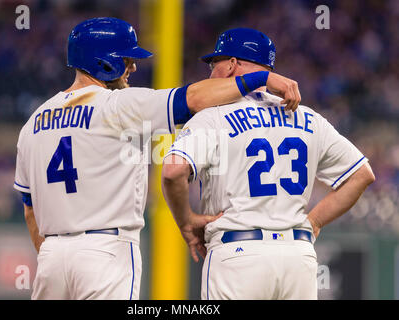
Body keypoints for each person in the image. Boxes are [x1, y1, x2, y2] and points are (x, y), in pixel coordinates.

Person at [13, 18, 301, 300]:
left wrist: (59, 259)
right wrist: (261, 78)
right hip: (105, 251)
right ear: (105, 62)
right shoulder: (118, 105)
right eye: (127, 60)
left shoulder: (33, 123)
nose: (133, 67)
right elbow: (195, 98)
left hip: (51, 258)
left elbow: (30, 211)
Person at [161, 28, 375, 300]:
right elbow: (362, 174)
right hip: (298, 257)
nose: (210, 74)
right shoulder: (307, 117)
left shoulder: (212, 117)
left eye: (214, 64)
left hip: (238, 254)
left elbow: (172, 170)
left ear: (231, 65)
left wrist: (186, 221)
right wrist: (315, 220)